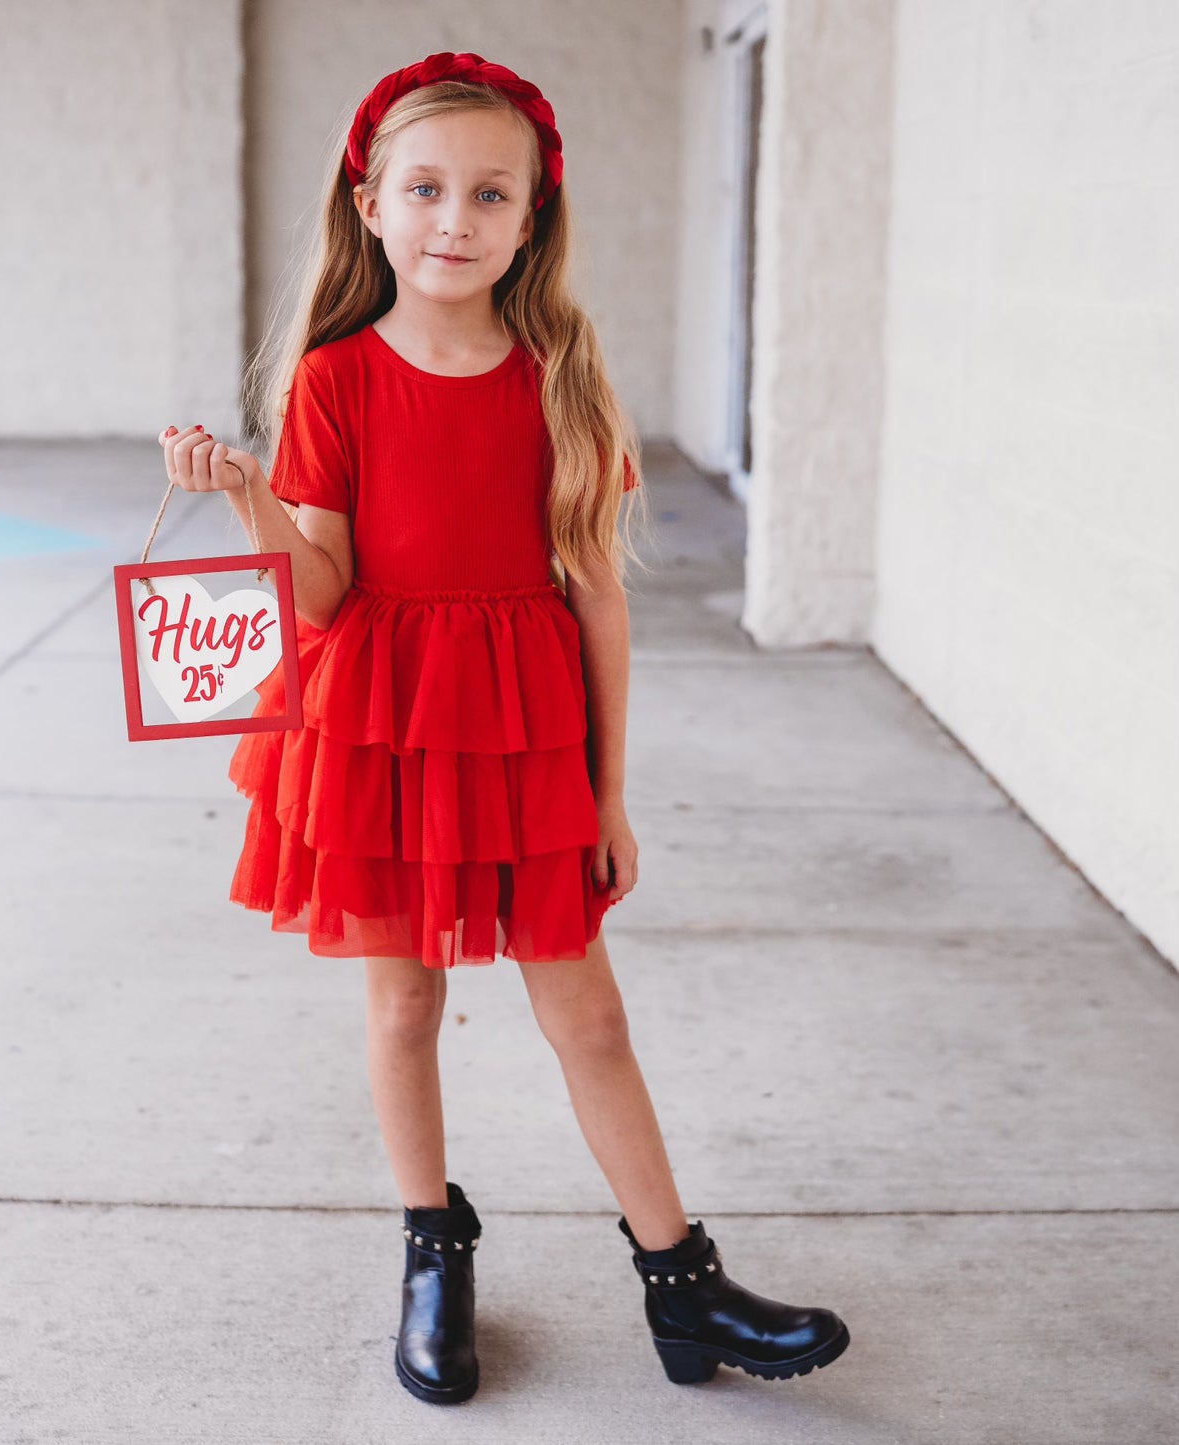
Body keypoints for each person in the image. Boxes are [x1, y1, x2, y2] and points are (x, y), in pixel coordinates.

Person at [157, 50, 849, 1405]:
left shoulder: (561, 378)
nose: (453, 218)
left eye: (488, 193)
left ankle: (682, 1284)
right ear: (369, 205)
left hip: (525, 733)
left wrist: (608, 790)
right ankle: (433, 1250)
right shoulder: (338, 378)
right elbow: (322, 588)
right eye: (424, 189)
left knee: (585, 1012)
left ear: (532, 216)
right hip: (383, 726)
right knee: (404, 1000)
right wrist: (245, 497)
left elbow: (596, 599)